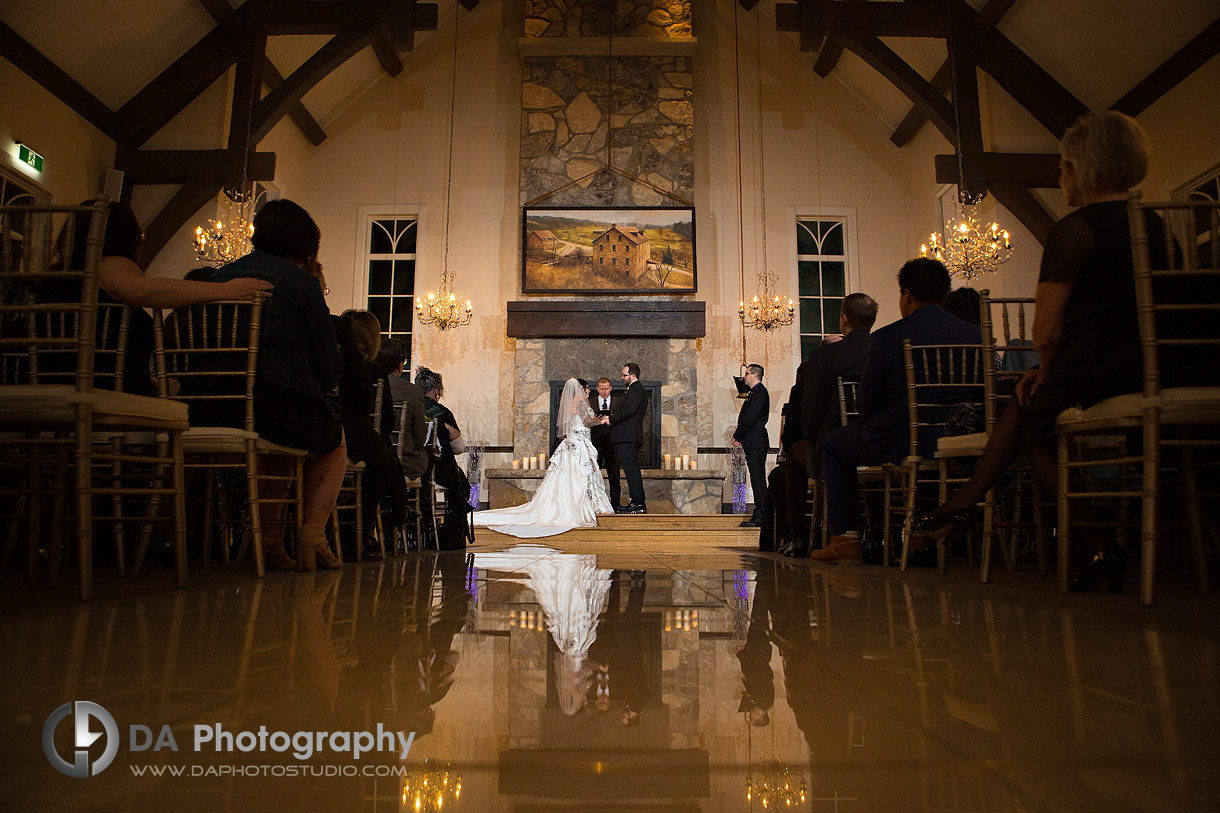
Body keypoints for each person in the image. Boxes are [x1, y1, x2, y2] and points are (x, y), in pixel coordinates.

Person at [914, 111, 1163, 592]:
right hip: (1157, 366)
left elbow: (1045, 329)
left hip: (1102, 368)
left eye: (1065, 166)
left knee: (1028, 414)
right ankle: (967, 503)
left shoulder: (1075, 230)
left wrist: (1047, 369)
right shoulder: (1157, 224)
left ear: (1084, 169)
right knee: (1027, 407)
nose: (1060, 176)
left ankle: (1090, 537)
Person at [207, 199, 345, 570]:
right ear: (305, 245)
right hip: (270, 403)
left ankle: (269, 541)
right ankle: (312, 532)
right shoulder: (301, 283)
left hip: (209, 405)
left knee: (284, 444)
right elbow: (329, 371)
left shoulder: (217, 277)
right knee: (333, 440)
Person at [815, 257, 981, 565]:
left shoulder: (889, 337)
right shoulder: (976, 336)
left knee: (834, 444)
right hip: (961, 440)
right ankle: (919, 535)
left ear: (906, 294)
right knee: (927, 449)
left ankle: (846, 539)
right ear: (944, 293)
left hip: (901, 438)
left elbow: (865, 403)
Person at [42, 201, 271, 396]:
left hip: (56, 383)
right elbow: (142, 291)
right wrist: (226, 290)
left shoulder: (59, 277)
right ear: (126, 239)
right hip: (99, 391)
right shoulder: (108, 264)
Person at [782, 293, 878, 556]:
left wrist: (816, 436)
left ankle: (798, 535)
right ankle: (877, 533)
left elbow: (811, 421)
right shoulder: (882, 348)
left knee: (794, 454)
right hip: (880, 446)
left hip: (834, 448)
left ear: (843, 319)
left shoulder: (824, 357)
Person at [473, 378, 612, 537]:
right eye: (587, 388)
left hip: (572, 444)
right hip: (578, 445)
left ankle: (566, 504)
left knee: (568, 477)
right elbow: (586, 422)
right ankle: (579, 506)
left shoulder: (570, 402)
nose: (588, 391)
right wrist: (601, 421)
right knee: (580, 476)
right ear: (581, 388)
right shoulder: (580, 402)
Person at [335, 310, 407, 560]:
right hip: (353, 435)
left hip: (331, 429)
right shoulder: (374, 373)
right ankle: (359, 527)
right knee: (385, 464)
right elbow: (386, 420)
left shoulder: (332, 359)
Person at [416, 366, 472, 544]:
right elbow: (458, 447)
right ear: (437, 390)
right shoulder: (441, 412)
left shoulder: (410, 407)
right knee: (460, 482)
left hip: (412, 466)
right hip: (439, 469)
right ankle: (450, 535)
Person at [375, 338, 429, 479]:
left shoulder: (369, 385)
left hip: (372, 455)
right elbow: (420, 436)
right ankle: (417, 500)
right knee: (427, 456)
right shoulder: (413, 392)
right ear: (400, 365)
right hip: (403, 460)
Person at [733, 364, 770, 527]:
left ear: (755, 375)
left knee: (758, 478)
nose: (744, 377)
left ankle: (762, 514)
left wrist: (738, 435)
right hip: (752, 441)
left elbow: (750, 418)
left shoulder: (759, 393)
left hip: (756, 441)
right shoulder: (754, 393)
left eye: (747, 374)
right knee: (756, 478)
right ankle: (761, 512)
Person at [609, 363, 648, 513]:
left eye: (625, 375)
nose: (622, 377)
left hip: (628, 437)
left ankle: (638, 504)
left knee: (631, 471)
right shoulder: (634, 390)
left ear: (633, 375)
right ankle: (636, 503)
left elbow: (629, 410)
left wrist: (611, 420)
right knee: (631, 470)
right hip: (628, 436)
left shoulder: (636, 389)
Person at [588, 377, 619, 507]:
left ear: (610, 388)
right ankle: (594, 503)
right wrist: (595, 419)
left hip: (612, 442)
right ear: (597, 389)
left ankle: (616, 503)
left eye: (607, 388)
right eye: (602, 389)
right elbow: (586, 421)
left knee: (614, 473)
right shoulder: (590, 402)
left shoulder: (618, 401)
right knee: (595, 472)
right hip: (596, 442)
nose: (604, 391)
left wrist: (612, 417)